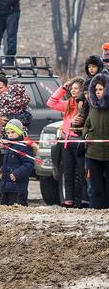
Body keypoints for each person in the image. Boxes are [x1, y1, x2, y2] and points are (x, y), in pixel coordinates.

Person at [47, 77, 86, 207]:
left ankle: (83, 200)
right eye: (72, 88)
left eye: (76, 88)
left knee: (81, 173)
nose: (73, 91)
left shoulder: (85, 104)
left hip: (80, 143)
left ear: (82, 90)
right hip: (66, 143)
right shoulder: (68, 104)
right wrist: (63, 88)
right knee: (68, 173)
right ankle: (68, 199)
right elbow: (51, 103)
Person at [83, 72, 109, 209]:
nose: (98, 92)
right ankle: (96, 211)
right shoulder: (93, 107)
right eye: (96, 89)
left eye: (101, 89)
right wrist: (87, 135)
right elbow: (87, 125)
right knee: (96, 187)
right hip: (93, 153)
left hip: (108, 153)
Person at [0, 119, 34, 206]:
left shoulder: (23, 147)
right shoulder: (9, 146)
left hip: (18, 188)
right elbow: (8, 163)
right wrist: (2, 171)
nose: (10, 135)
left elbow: (29, 164)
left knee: (17, 207)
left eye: (13, 132)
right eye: (8, 133)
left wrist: (17, 174)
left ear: (19, 132)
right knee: (4, 207)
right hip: (6, 187)